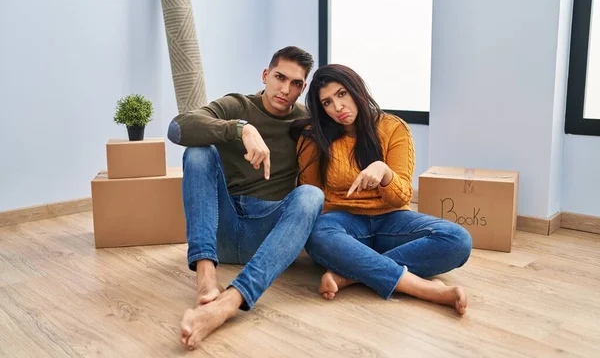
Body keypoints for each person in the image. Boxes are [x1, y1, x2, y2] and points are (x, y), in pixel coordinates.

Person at [167, 46, 324, 350]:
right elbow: (178, 127)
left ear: (302, 89)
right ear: (266, 75)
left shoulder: (304, 120)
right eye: (280, 77)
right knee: (198, 151)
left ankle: (229, 302)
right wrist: (242, 129)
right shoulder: (236, 105)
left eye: (296, 84)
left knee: (311, 196)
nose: (285, 89)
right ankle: (205, 274)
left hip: (265, 233)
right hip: (221, 227)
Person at [294, 64, 472, 315]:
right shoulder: (314, 137)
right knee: (317, 234)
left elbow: (402, 196)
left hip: (392, 219)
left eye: (342, 94)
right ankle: (425, 289)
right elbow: (312, 198)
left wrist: (384, 172)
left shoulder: (393, 128)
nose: (338, 107)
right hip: (342, 224)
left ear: (357, 90)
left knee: (458, 240)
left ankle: (351, 276)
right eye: (327, 102)